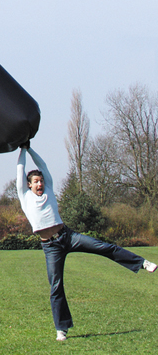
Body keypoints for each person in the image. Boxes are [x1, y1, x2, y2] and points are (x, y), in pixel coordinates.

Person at [17, 140, 156, 342]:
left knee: (104, 247)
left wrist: (30, 149)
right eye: (36, 182)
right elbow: (19, 171)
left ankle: (141, 263)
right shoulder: (24, 196)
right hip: (50, 247)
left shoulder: (49, 190)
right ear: (29, 185)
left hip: (68, 236)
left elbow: (44, 167)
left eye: (41, 181)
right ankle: (61, 329)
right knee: (55, 286)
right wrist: (21, 151)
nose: (40, 184)